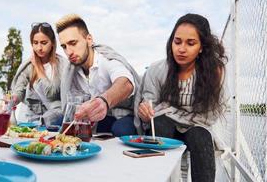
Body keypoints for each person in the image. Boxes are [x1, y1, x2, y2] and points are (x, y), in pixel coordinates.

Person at [135, 13, 228, 182]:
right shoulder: (157, 69)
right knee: (162, 123)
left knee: (201, 137)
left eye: (190, 43)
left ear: (201, 47)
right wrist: (144, 111)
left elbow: (210, 115)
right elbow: (149, 103)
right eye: (177, 42)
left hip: (197, 126)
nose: (181, 49)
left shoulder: (214, 72)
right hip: (165, 126)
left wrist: (169, 111)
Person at [55, 14, 140, 136]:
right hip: (93, 119)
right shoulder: (70, 72)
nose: (69, 52)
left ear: (89, 40)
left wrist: (103, 101)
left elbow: (125, 83)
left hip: (121, 115)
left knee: (121, 129)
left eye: (73, 43)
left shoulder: (106, 60)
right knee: (60, 122)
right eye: (64, 46)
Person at [11, 22, 67, 126]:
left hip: (55, 118)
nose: (39, 48)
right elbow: (19, 89)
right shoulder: (28, 65)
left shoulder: (63, 65)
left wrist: (38, 67)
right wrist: (13, 99)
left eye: (44, 43)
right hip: (31, 118)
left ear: (53, 43)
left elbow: (52, 94)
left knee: (56, 114)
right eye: (35, 43)